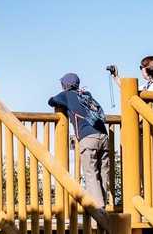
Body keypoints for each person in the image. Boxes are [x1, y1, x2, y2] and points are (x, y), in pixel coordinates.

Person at [48, 73, 112, 208]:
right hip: (103, 136)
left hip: (88, 137)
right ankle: (103, 204)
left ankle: (99, 209)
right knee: (103, 172)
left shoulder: (66, 95)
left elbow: (51, 101)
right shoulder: (86, 94)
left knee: (91, 173)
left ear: (64, 85)